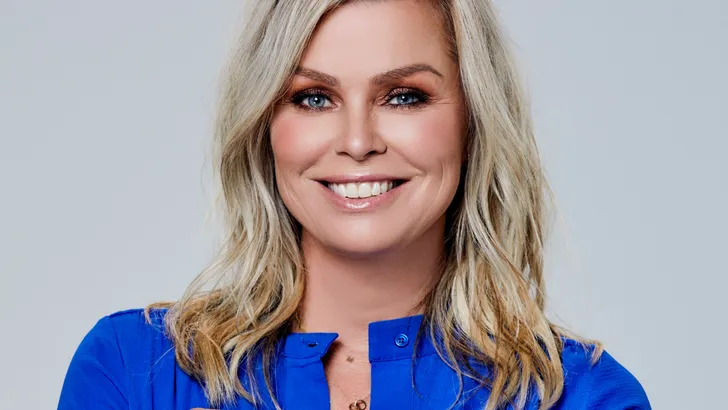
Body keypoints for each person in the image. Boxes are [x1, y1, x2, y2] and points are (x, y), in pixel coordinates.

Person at [58, 0, 651, 409]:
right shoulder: (134, 371)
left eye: (404, 96)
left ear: (473, 120)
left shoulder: (582, 397)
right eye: (314, 98)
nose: (359, 141)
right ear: (265, 125)